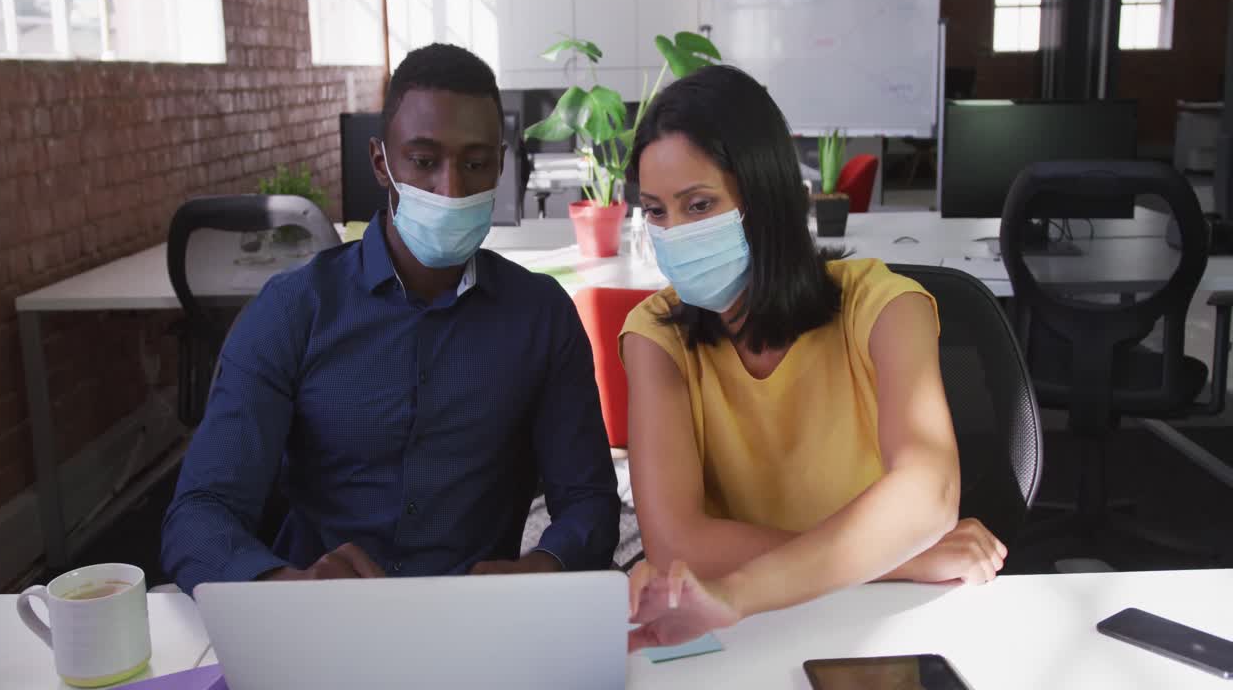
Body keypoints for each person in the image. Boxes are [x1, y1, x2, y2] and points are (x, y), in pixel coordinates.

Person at [161, 43, 619, 594]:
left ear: (500, 164)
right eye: (423, 161)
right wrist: (287, 585)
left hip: (474, 618)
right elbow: (199, 514)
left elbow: (589, 503)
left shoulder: (541, 317)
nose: (450, 189)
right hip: (320, 614)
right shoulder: (293, 311)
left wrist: (539, 569)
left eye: (475, 164)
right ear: (381, 162)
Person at [619, 65, 1006, 650]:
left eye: (698, 205)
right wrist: (899, 555)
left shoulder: (886, 306)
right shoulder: (655, 335)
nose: (673, 233)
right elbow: (676, 544)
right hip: (746, 632)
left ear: (767, 200)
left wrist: (741, 590)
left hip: (876, 623)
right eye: (655, 211)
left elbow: (927, 492)